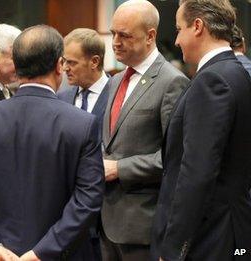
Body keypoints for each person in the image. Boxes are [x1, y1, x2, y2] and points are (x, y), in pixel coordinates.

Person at [0, 25, 104, 260]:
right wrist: (40, 252)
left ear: (16, 66)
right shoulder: (82, 124)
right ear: (58, 65)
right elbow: (87, 199)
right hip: (63, 254)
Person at [151, 0, 251, 260]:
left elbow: (197, 172)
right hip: (231, 226)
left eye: (178, 29)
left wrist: (173, 247)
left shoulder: (212, 79)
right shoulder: (238, 72)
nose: (176, 41)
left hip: (210, 235)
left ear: (197, 26)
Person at [100, 1, 189, 260]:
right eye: (113, 33)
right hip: (105, 221)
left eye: (124, 35)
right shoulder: (116, 80)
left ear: (150, 36)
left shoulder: (172, 82)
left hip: (142, 226)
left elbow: (175, 158)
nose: (115, 41)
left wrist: (120, 168)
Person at [58, 28, 110, 138]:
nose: (64, 68)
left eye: (71, 63)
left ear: (94, 62)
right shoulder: (61, 98)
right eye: (64, 61)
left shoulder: (119, 95)